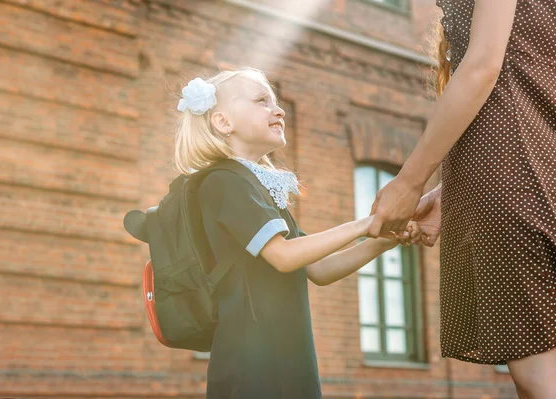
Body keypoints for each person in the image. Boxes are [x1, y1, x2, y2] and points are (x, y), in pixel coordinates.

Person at [173, 68, 421, 398]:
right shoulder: (224, 182)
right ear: (223, 122)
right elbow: (285, 256)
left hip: (288, 364)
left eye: (275, 101)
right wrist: (367, 221)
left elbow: (317, 268)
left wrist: (383, 240)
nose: (279, 110)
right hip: (252, 372)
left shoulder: (256, 187)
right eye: (262, 101)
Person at [368, 1, 556, 397]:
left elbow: (484, 66)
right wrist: (454, 191)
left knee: (538, 379)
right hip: (533, 174)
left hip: (512, 180)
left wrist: (409, 182)